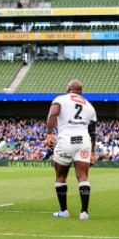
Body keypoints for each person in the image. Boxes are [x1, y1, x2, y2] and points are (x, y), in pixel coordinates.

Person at [45, 79, 97, 220]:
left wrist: (49, 134)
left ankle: (64, 211)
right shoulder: (90, 106)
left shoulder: (60, 99)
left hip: (66, 140)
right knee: (83, 177)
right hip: (84, 141)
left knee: (61, 176)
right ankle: (84, 213)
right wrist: (92, 152)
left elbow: (53, 114)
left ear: (68, 89)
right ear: (81, 91)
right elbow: (93, 132)